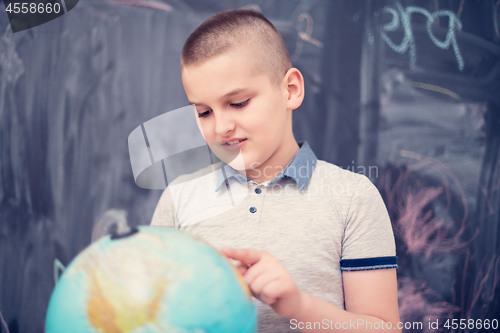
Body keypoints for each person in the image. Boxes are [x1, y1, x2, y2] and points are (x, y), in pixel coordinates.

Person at [151, 9, 400, 333]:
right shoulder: (178, 200)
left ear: (291, 90)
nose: (221, 127)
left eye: (238, 103)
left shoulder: (353, 198)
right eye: (204, 112)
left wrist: (299, 306)